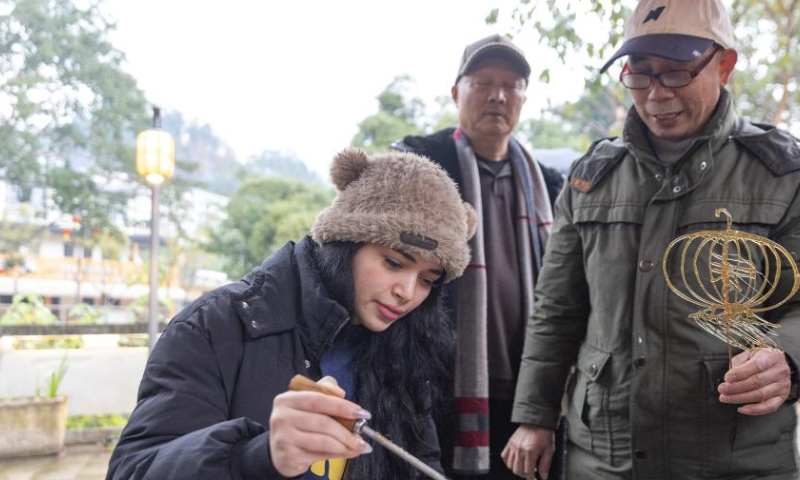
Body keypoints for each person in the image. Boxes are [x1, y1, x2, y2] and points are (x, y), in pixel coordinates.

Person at [504, 0, 800, 478]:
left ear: (724, 65)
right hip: (605, 455)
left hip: (736, 456)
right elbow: (556, 309)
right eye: (640, 74)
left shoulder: (782, 173)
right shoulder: (592, 176)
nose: (656, 94)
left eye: (677, 73)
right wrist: (534, 417)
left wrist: (788, 355)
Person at [105, 148, 477, 480]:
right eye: (394, 262)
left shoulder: (403, 349)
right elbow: (133, 469)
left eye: (428, 280)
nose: (407, 292)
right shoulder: (216, 326)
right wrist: (256, 456)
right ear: (344, 243)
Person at [393, 34, 564, 480]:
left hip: (529, 398)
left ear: (525, 98)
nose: (497, 95)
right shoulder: (422, 163)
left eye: (512, 85)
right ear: (456, 91)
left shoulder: (550, 185)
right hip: (442, 388)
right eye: (483, 81)